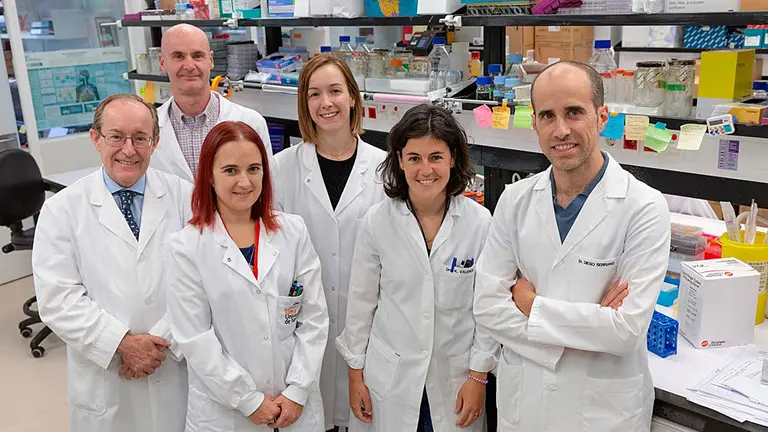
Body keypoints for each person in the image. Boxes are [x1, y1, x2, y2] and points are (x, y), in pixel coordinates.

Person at [473, 61, 671, 431]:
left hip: (603, 414)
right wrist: (590, 325)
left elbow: (625, 331)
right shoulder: (514, 200)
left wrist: (531, 306)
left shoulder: (643, 207)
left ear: (601, 116)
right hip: (525, 404)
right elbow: (486, 307)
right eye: (547, 116)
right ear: (534, 124)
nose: (560, 129)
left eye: (574, 112)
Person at [31, 94, 191, 432]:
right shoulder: (62, 210)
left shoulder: (184, 197)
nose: (129, 149)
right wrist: (123, 344)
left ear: (155, 142)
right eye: (116, 137)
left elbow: (203, 281)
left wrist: (159, 343)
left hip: (175, 366)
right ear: (96, 138)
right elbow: (58, 299)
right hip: (106, 376)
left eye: (140, 138)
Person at [336, 104, 498, 432]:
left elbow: (488, 309)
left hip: (456, 380)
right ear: (399, 160)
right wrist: (355, 376)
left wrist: (478, 375)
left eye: (436, 157)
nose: (426, 169)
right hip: (390, 379)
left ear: (453, 157)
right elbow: (360, 307)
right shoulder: (377, 222)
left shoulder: (479, 222)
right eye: (414, 158)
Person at [166, 121, 329, 431]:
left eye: (254, 169)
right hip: (226, 412)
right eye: (230, 170)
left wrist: (297, 391)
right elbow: (196, 339)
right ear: (209, 177)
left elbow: (314, 319)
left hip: (294, 407)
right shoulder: (186, 247)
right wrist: (248, 400)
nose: (244, 181)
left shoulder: (293, 231)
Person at [273, 53, 386, 432]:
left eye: (335, 91)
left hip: (370, 331)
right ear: (304, 104)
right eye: (315, 94)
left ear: (353, 97)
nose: (326, 103)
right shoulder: (281, 168)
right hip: (301, 328)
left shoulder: (387, 169)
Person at [152, 23, 272, 183]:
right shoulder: (147, 131)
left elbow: (267, 191)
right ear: (162, 63)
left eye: (197, 56)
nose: (189, 66)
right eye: (178, 56)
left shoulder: (251, 122)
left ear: (210, 60)